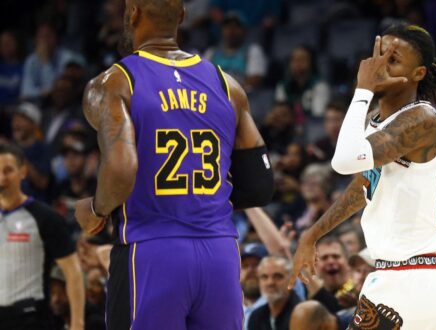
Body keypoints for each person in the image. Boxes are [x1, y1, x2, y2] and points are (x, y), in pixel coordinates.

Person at [73, 0, 274, 329]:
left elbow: (123, 170)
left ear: (133, 12)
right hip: (220, 255)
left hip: (152, 252)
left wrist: (95, 210)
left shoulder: (116, 82)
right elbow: (260, 186)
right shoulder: (229, 86)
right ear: (181, 16)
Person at [289, 23, 436, 329]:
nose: (379, 67)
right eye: (379, 56)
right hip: (415, 278)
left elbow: (343, 160)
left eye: (393, 60)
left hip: (412, 280)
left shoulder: (421, 119)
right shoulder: (377, 121)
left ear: (418, 74)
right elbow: (364, 185)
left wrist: (362, 90)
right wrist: (312, 234)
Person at [0, 143, 84, 330]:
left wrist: (77, 324)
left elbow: (74, 272)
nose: (2, 178)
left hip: (31, 317)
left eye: (8, 171)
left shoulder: (45, 217)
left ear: (23, 171)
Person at [247, 256, 300, 330]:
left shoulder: (302, 314)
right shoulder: (256, 316)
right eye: (264, 277)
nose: (270, 283)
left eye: (278, 276)